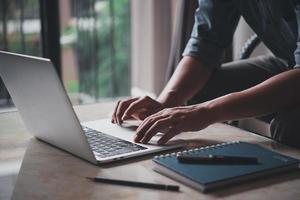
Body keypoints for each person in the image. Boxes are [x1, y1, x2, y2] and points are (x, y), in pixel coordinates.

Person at [112, 0, 300, 148]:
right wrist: (164, 104)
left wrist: (208, 111)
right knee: (198, 92)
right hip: (289, 63)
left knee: (291, 123)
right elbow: (205, 44)